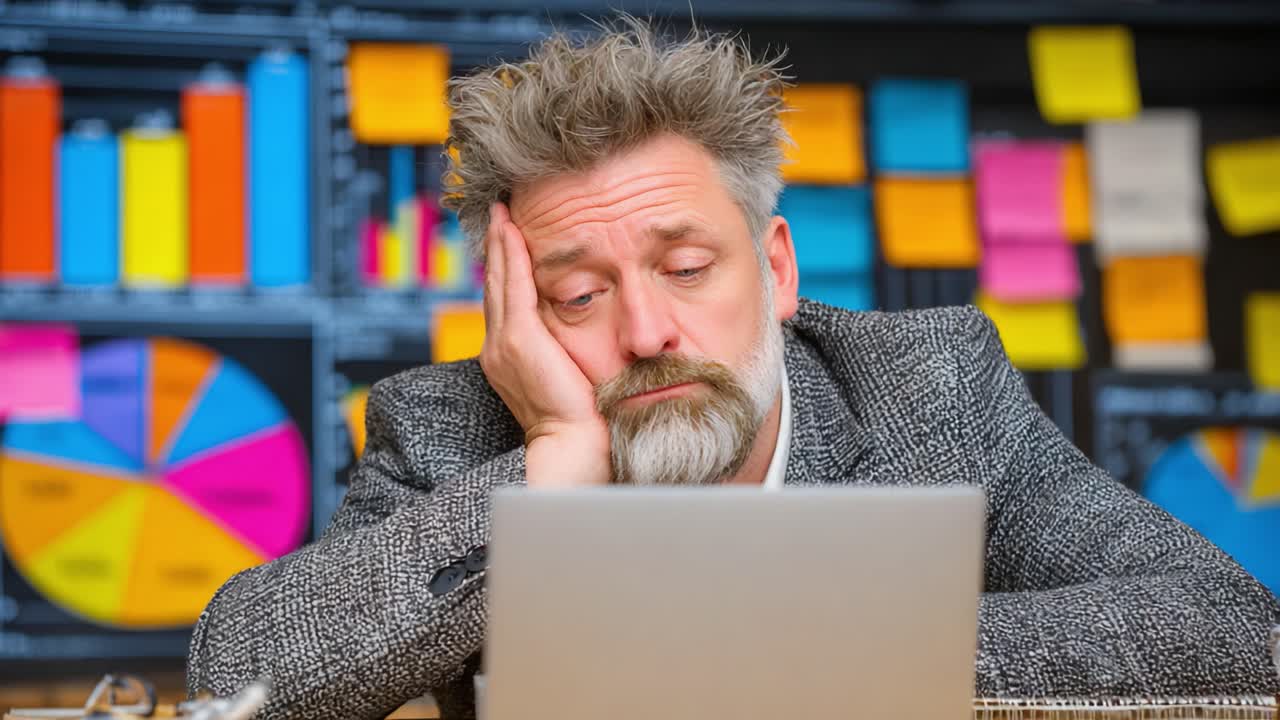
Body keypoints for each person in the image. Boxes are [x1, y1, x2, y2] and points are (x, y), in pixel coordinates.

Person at [187, 19, 1280, 720]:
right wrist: (553, 462)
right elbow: (240, 681)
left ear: (776, 268)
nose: (646, 330)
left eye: (686, 268)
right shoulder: (445, 428)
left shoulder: (929, 384)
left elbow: (1230, 629)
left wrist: (801, 656)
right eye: (578, 294)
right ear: (516, 316)